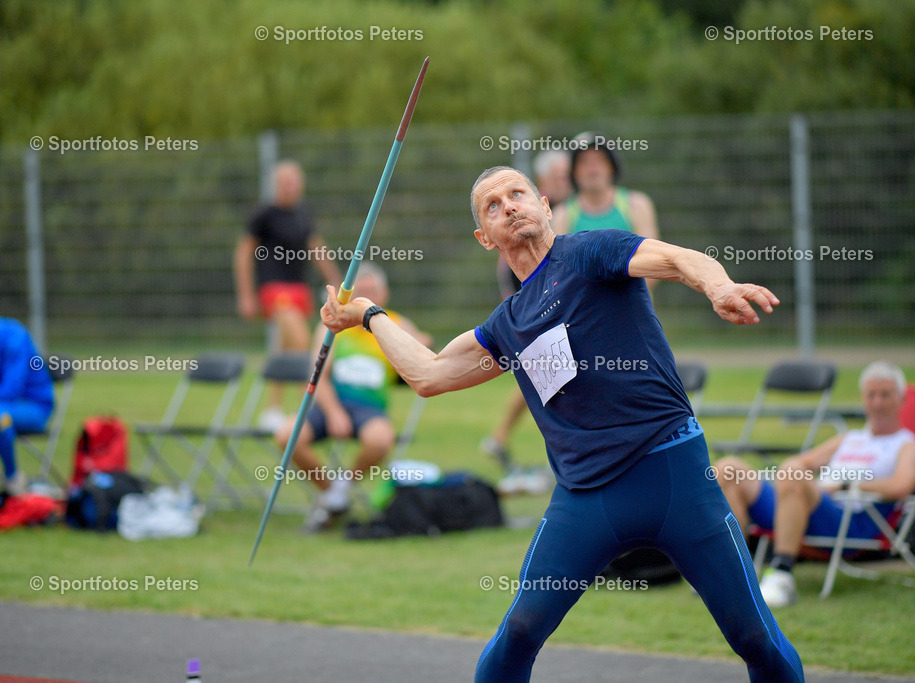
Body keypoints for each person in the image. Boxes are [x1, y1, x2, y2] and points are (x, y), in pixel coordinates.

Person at [320, 166, 803, 682]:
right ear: (485, 237)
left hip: (675, 479)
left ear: (545, 206)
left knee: (752, 636)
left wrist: (718, 285)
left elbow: (675, 258)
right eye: (493, 204)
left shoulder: (590, 253)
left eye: (517, 193)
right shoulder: (507, 326)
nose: (508, 205)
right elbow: (429, 374)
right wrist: (370, 314)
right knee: (520, 632)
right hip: (586, 499)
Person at [715, 361, 915, 608]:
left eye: (885, 395)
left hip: (849, 518)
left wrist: (845, 486)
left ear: (902, 399)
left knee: (792, 474)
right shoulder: (850, 438)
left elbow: (902, 486)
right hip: (806, 502)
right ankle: (730, 572)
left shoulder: (908, 444)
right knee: (728, 469)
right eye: (871, 395)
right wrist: (793, 477)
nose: (877, 403)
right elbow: (799, 462)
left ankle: (781, 575)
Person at [274, 264, 431, 532]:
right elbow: (317, 374)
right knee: (287, 435)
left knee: (381, 440)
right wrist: (334, 412)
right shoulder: (335, 324)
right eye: (362, 292)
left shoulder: (395, 324)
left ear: (385, 294)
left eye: (373, 292)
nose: (367, 297)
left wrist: (423, 341)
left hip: (369, 408)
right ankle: (330, 493)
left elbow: (423, 351)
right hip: (331, 404)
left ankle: (343, 487)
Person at [481, 150, 571, 477]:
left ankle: (501, 437)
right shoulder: (533, 214)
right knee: (543, 374)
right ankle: (503, 437)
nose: (566, 178)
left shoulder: (563, 211)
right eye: (559, 174)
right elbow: (506, 265)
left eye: (567, 173)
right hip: (535, 303)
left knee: (547, 376)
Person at [235, 160, 343, 429]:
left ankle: (272, 409)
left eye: (294, 182)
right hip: (274, 289)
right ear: (276, 185)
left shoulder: (302, 214)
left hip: (298, 290)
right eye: (285, 182)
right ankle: (305, 406)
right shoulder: (264, 215)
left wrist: (337, 281)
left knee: (285, 348)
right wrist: (246, 295)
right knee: (301, 340)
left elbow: (317, 248)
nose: (290, 187)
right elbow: (243, 253)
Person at [552, 132, 660, 289]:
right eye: (584, 162)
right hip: (585, 313)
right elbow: (558, 273)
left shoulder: (637, 205)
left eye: (599, 160)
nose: (592, 169)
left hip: (634, 311)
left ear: (612, 167)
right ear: (573, 172)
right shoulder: (562, 215)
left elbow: (654, 265)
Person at [0, 318, 54, 494]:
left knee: (1, 418)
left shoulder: (15, 337)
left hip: (34, 408)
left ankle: (13, 478)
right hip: (5, 405)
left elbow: (11, 389)